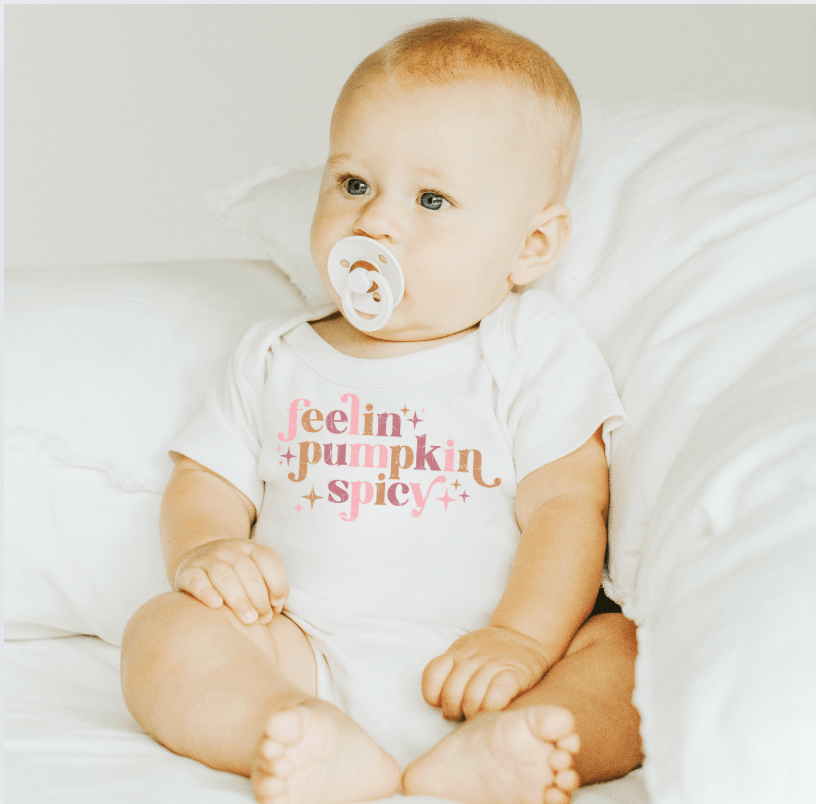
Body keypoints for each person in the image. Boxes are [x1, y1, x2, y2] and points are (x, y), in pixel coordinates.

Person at [121, 18, 643, 804]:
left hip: (503, 665)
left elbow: (567, 509)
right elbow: (206, 478)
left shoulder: (529, 346)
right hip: (302, 654)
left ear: (531, 245)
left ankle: (499, 751)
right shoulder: (277, 355)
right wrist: (207, 549)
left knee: (627, 651)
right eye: (354, 184)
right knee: (162, 631)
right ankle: (289, 731)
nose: (375, 223)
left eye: (432, 199)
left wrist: (520, 641)